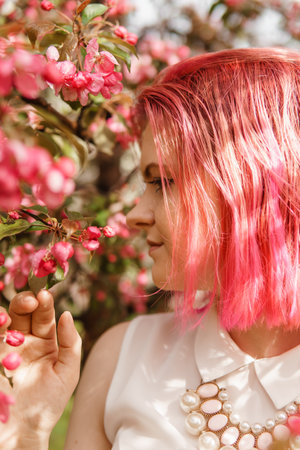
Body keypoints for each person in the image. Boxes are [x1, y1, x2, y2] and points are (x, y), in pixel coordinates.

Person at [0, 47, 299, 450]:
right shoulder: (123, 354)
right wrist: (25, 431)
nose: (136, 214)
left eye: (164, 182)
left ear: (255, 185)